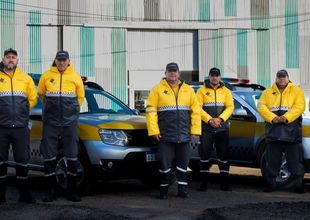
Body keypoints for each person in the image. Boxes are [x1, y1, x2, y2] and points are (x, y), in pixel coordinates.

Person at [146, 62, 201, 199]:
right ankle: (163, 190)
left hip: (184, 135)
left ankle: (182, 190)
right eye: (170, 71)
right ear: (165, 73)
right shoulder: (157, 90)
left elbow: (196, 112)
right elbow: (151, 111)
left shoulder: (188, 90)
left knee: (183, 165)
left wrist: (195, 131)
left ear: (179, 73)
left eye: (174, 71)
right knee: (164, 165)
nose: (172, 73)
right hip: (165, 135)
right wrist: (153, 130)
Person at [38, 50, 85, 202]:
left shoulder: (75, 76)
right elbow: (41, 95)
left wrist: (72, 112)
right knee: (49, 156)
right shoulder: (46, 76)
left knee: (72, 155)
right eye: (59, 60)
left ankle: (71, 191)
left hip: (69, 123)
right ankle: (51, 191)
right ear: (55, 61)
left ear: (68, 61)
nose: (62, 62)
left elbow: (80, 96)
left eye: (64, 60)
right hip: (51, 122)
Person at [257, 69, 305, 193]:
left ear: (288, 78)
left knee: (295, 162)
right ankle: (270, 184)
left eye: (284, 77)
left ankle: (298, 186)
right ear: (276, 78)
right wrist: (273, 118)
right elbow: (261, 107)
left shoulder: (296, 91)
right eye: (279, 77)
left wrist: (286, 117)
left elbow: (300, 106)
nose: (282, 79)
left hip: (292, 133)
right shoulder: (267, 92)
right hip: (274, 133)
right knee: (272, 161)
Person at [0, 48, 37, 204]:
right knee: (0, 160)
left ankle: (24, 194)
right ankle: (1, 195)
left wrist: (23, 112)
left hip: (21, 127)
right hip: (1, 126)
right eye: (8, 57)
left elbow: (33, 98)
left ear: (17, 61)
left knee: (22, 160)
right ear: (3, 60)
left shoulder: (26, 78)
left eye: (13, 57)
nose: (10, 59)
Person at [196, 67, 234, 191]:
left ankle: (224, 183)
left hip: (222, 129)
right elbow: (198, 108)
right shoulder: (201, 91)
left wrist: (220, 119)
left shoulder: (226, 91)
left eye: (217, 75)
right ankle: (203, 184)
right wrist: (210, 120)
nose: (215, 77)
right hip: (206, 128)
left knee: (223, 155)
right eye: (212, 75)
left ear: (220, 77)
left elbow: (230, 107)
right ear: (209, 76)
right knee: (204, 155)